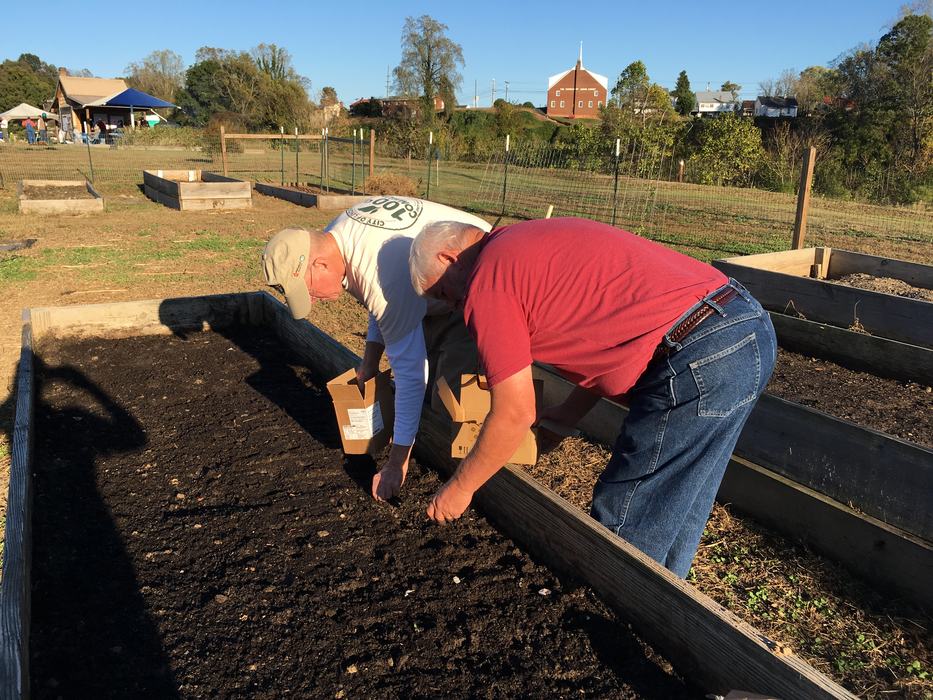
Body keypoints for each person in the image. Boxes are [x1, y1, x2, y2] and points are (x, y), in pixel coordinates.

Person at [408, 217, 777, 578]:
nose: (452, 305)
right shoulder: (523, 244)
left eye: (441, 293)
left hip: (698, 349)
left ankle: (622, 603)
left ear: (449, 258)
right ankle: (664, 608)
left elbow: (514, 413)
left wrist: (460, 488)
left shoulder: (487, 282)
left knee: (625, 519)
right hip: (744, 325)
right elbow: (605, 339)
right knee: (678, 499)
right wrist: (565, 416)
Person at [262, 196, 491, 503]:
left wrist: (396, 464)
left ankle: (475, 479)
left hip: (474, 277)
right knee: (426, 390)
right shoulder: (338, 237)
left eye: (308, 291)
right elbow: (377, 301)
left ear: (320, 264)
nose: (312, 301)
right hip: (430, 283)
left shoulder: (378, 271)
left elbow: (410, 375)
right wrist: (369, 363)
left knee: (450, 401)